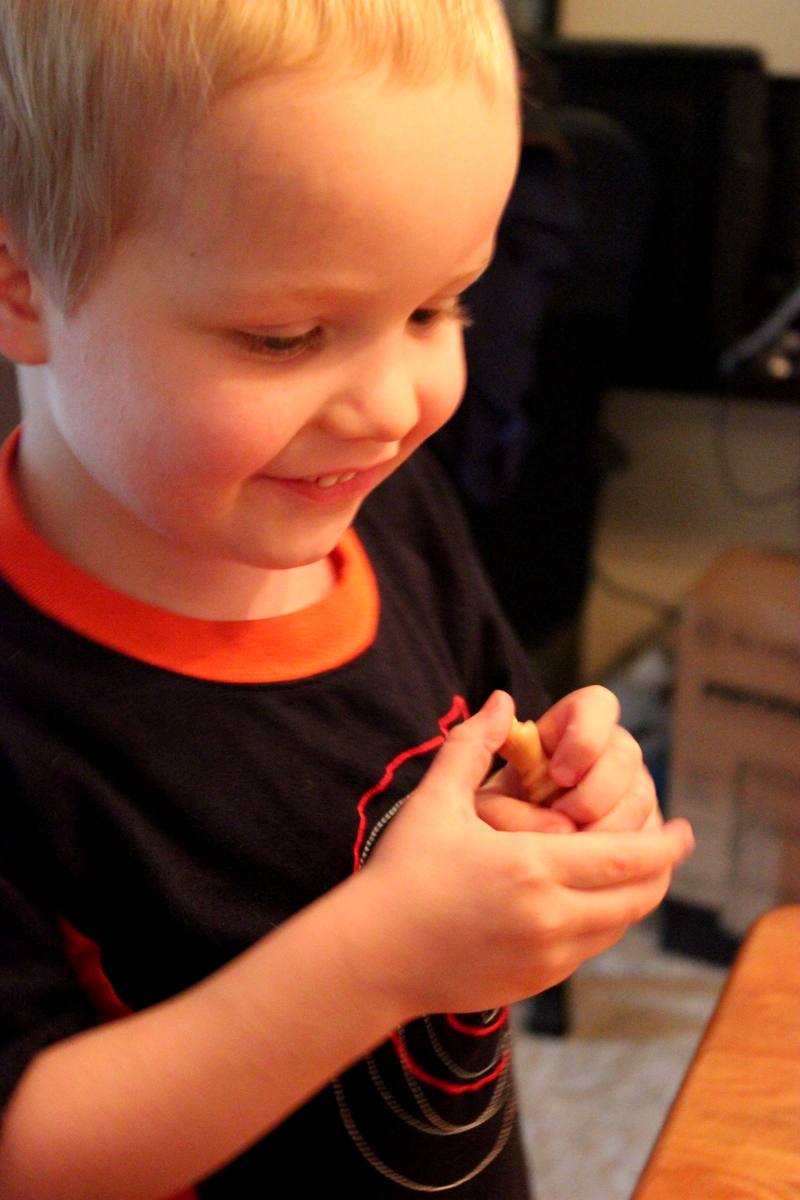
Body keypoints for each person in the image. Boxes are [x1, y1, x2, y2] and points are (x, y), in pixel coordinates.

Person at [0, 2, 693, 1196]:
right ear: (20, 284)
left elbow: (497, 763)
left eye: (435, 308)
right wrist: (381, 960)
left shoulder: (383, 515)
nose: (389, 408)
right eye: (285, 336)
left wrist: (568, 798)